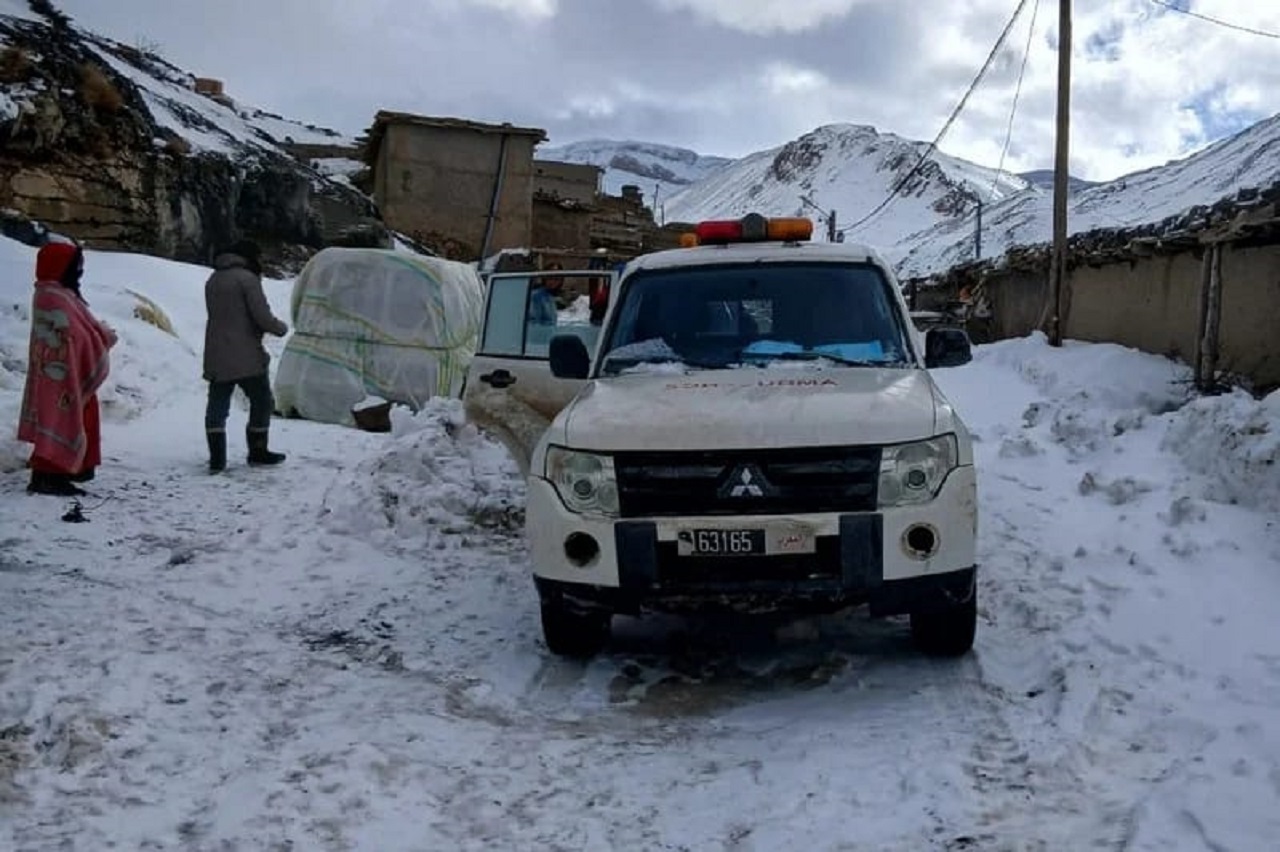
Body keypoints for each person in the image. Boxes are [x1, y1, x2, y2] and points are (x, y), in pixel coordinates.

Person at [18, 241, 118, 496]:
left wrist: (97, 335)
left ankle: (65, 471)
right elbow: (73, 335)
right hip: (59, 375)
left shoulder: (54, 292)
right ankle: (49, 475)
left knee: (69, 418)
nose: (80, 271)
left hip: (62, 373)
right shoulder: (53, 296)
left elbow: (77, 330)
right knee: (61, 419)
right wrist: (102, 336)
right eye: (77, 265)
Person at [202, 240, 289, 472]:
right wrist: (280, 328)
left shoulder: (213, 279)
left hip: (216, 352)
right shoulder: (247, 279)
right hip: (246, 354)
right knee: (261, 401)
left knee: (217, 405)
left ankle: (217, 459)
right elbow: (261, 316)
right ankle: (258, 451)